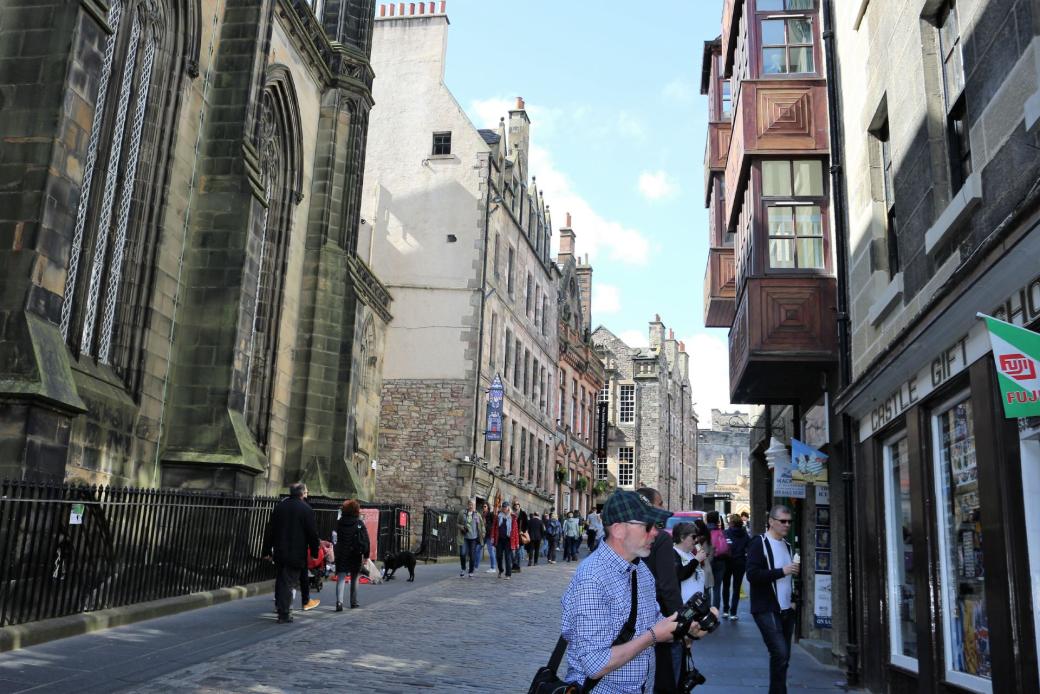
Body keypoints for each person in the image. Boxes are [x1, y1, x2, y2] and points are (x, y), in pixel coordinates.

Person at [561, 490, 713, 692]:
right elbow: (595, 664)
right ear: (618, 530)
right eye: (647, 526)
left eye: (656, 525)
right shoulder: (592, 579)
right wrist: (653, 636)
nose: (656, 532)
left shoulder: (639, 569)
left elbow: (654, 621)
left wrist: (687, 629)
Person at [747, 504, 800, 694]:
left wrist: (793, 600)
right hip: (766, 607)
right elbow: (752, 575)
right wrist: (782, 571)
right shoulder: (759, 543)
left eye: (789, 522)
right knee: (780, 653)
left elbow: (790, 579)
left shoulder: (787, 545)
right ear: (771, 521)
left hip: (786, 609)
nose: (787, 525)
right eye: (782, 521)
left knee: (783, 658)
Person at [636, 487, 685, 693]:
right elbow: (668, 586)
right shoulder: (661, 538)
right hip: (661, 618)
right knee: (666, 676)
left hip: (638, 623)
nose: (663, 508)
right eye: (660, 504)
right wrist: (682, 621)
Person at [262, 482, 320, 623]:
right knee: (289, 583)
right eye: (306, 492)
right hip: (296, 552)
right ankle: (284, 613)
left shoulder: (280, 507)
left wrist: (266, 550)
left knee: (282, 581)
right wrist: (314, 552)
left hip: (280, 551)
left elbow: (270, 530)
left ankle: (281, 608)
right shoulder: (306, 509)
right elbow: (312, 534)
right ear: (301, 493)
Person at [334, 499, 369, 610]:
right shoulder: (359, 523)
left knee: (341, 577)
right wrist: (366, 555)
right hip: (355, 553)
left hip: (342, 553)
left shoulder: (339, 522)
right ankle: (353, 602)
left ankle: (339, 602)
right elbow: (366, 540)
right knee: (354, 578)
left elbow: (335, 537)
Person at [722, 513, 751, 620]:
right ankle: (733, 612)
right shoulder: (745, 534)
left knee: (725, 586)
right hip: (740, 563)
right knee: (736, 587)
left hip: (727, 562)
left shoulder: (725, 533)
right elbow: (749, 548)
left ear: (732, 523)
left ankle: (725, 610)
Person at [705, 510, 728, 612]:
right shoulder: (721, 531)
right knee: (717, 588)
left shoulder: (704, 531)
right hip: (720, 560)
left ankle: (706, 610)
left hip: (707, 561)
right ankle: (715, 612)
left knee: (706, 587)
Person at [456, 499, 484, 578]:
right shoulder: (462, 513)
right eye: (470, 504)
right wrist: (461, 527)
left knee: (472, 555)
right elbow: (457, 523)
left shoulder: (477, 515)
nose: (471, 506)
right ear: (468, 505)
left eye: (472, 505)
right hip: (464, 537)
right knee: (462, 553)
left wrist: (483, 533)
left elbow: (481, 525)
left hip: (473, 538)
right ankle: (463, 568)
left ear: (474, 506)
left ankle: (471, 571)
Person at [492, 501, 515, 579]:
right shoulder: (498, 516)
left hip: (508, 540)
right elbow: (494, 527)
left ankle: (508, 574)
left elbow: (515, 530)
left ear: (508, 508)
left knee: (508, 557)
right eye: (503, 507)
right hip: (499, 539)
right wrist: (492, 537)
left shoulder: (512, 517)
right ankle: (501, 570)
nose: (504, 508)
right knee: (498, 556)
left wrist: (516, 542)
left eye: (505, 507)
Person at [512, 501, 528, 572]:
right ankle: (515, 565)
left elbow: (526, 524)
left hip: (519, 534)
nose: (516, 505)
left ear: (519, 505)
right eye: (515, 504)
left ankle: (517, 566)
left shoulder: (523, 513)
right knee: (513, 551)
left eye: (517, 504)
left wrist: (523, 531)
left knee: (517, 551)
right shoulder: (512, 513)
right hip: (513, 535)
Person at [482, 502, 498, 573]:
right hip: (483, 535)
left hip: (489, 535)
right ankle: (474, 566)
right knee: (478, 548)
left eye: (485, 506)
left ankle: (493, 567)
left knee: (491, 551)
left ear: (488, 507)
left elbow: (494, 524)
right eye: (483, 506)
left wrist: (492, 535)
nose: (483, 507)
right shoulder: (483, 515)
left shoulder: (491, 514)